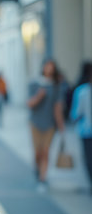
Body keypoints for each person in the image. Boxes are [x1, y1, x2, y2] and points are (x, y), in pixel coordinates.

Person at [27, 59, 65, 190]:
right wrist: (39, 96)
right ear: (43, 67)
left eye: (52, 67)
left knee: (46, 151)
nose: (49, 69)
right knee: (38, 152)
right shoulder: (34, 83)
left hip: (50, 124)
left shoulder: (56, 86)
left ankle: (43, 179)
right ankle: (37, 169)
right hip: (35, 123)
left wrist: (61, 125)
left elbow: (57, 107)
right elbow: (29, 104)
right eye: (47, 66)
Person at [70, 62, 92, 193]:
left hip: (86, 130)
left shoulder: (82, 91)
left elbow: (76, 113)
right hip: (86, 131)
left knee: (89, 159)